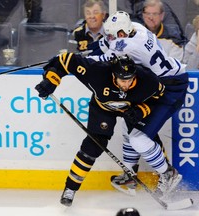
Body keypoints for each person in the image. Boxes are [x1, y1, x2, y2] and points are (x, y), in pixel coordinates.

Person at [35, 53, 180, 207]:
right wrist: (51, 81)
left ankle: (165, 172)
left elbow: (159, 98)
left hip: (132, 109)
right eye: (123, 80)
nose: (126, 84)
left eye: (130, 80)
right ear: (113, 75)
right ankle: (70, 188)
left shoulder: (146, 79)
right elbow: (64, 59)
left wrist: (141, 110)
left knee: (144, 136)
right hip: (103, 109)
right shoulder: (96, 72)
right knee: (92, 146)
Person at [90, 11, 188, 196]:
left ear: (121, 34)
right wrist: (94, 45)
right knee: (128, 127)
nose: (110, 38)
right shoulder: (137, 28)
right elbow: (106, 43)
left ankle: (169, 174)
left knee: (138, 139)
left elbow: (99, 61)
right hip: (163, 82)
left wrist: (72, 60)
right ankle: (130, 175)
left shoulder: (126, 44)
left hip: (170, 89)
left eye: (112, 35)